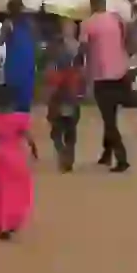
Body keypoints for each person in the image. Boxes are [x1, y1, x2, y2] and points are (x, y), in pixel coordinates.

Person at [80, 0, 132, 172]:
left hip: (102, 75)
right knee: (110, 116)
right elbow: (125, 41)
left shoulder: (87, 24)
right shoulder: (117, 20)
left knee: (108, 119)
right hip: (120, 71)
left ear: (92, 4)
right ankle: (107, 153)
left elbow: (84, 50)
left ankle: (121, 158)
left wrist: (85, 76)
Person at [0, 87, 36, 240]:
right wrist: (34, 151)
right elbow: (29, 138)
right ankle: (10, 223)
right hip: (17, 158)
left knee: (0, 191)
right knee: (17, 191)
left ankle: (1, 224)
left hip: (0, 158)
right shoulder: (20, 119)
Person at [44, 19, 85, 172]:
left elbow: (51, 81)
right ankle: (68, 157)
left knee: (57, 131)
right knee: (70, 131)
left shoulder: (54, 60)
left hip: (60, 98)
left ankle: (63, 154)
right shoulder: (76, 58)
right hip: (71, 98)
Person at [0, 0, 37, 114]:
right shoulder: (30, 23)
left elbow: (0, 41)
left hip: (14, 64)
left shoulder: (8, 24)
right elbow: (35, 39)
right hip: (27, 62)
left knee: (13, 98)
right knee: (25, 98)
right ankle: (23, 123)